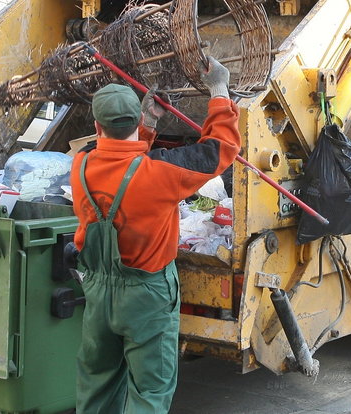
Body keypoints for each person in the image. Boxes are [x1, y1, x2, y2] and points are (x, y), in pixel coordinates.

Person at [70, 57, 241, 414]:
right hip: (147, 297)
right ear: (133, 121)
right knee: (149, 392)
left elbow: (121, 159)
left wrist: (146, 125)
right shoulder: (163, 173)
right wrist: (219, 90)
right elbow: (219, 150)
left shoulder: (81, 164)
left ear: (97, 127)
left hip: (99, 294)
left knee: (97, 386)